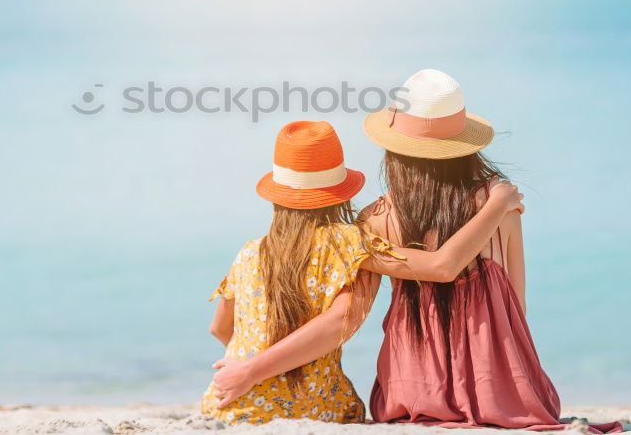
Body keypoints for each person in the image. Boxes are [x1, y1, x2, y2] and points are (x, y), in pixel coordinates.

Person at [200, 118, 523, 424]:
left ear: (277, 196)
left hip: (226, 401)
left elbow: (220, 329)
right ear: (341, 191)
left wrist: (243, 369)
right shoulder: (349, 244)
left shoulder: (249, 251)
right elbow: (441, 266)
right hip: (311, 403)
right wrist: (497, 204)